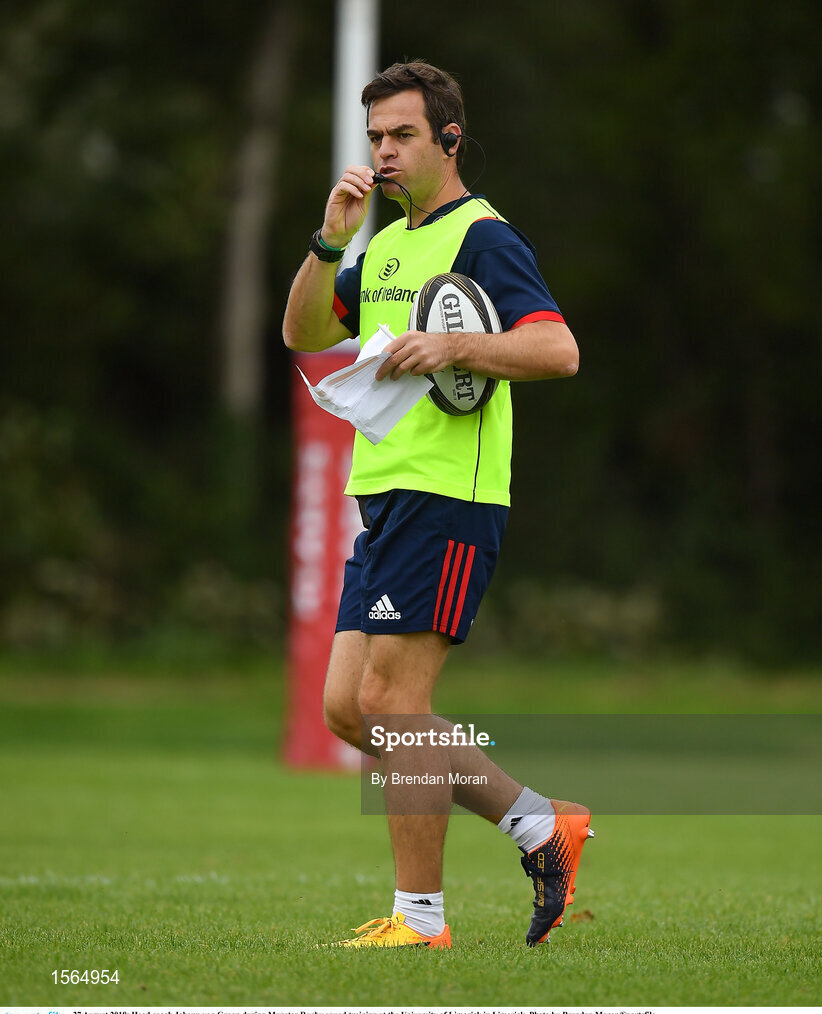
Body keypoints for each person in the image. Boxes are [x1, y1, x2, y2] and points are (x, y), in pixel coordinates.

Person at [283, 60, 592, 949]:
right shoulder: (377, 245)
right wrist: (329, 240)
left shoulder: (482, 238)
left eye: (402, 134)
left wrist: (455, 341)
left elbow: (559, 352)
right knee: (350, 709)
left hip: (449, 498)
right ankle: (540, 825)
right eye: (375, 136)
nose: (383, 151)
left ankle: (421, 922)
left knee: (395, 702)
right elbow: (302, 335)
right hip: (382, 499)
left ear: (448, 140)